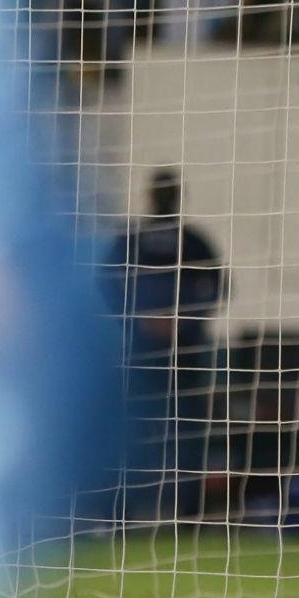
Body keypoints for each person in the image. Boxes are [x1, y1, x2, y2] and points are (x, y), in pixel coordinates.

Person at [105, 168, 225, 518]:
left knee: (185, 432)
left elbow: (217, 287)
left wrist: (182, 320)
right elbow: (108, 287)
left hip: (184, 354)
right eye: (162, 192)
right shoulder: (131, 240)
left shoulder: (195, 242)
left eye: (170, 192)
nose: (165, 199)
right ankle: (124, 513)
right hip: (139, 354)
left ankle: (187, 513)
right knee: (133, 426)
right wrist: (140, 320)